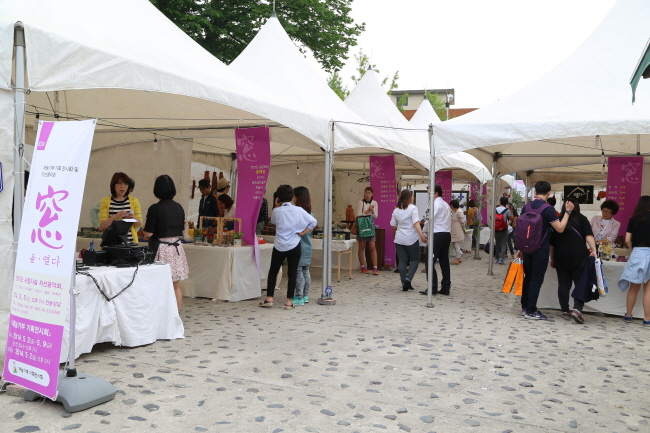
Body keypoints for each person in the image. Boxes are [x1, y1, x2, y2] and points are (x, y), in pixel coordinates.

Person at [515, 181, 574, 320]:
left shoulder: (526, 206)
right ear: (549, 193)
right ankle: (531, 310)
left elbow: (522, 229)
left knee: (528, 277)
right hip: (540, 248)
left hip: (527, 247)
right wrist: (568, 212)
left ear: (535, 192)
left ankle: (525, 307)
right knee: (536, 279)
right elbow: (560, 228)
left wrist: (520, 248)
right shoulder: (548, 209)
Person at [260, 185, 317, 310]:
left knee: (273, 271)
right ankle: (289, 302)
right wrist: (302, 232)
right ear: (292, 197)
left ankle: (269, 298)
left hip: (280, 245)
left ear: (278, 197)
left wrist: (276, 206)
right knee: (292, 273)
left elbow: (273, 222)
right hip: (294, 244)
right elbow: (313, 222)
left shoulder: (276, 211)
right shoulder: (299, 210)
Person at [142, 175, 189, 311]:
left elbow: (148, 233)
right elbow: (181, 230)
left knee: (158, 284)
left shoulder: (155, 208)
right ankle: (176, 314)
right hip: (176, 248)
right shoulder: (179, 207)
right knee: (175, 286)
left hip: (161, 249)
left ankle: (160, 314)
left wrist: (141, 230)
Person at [549, 198, 597, 324]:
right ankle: (577, 309)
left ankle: (565, 310)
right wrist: (594, 251)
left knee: (563, 285)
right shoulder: (582, 219)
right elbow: (589, 236)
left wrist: (552, 258)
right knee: (580, 283)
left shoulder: (558, 220)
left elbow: (552, 243)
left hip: (560, 256)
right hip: (579, 256)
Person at [618, 196, 650, 326]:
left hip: (637, 253)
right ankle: (647, 318)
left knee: (633, 287)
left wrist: (632, 250)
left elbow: (627, 240)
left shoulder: (633, 219)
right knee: (648, 289)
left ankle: (628, 315)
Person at [419, 184, 452, 296]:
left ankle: (432, 287)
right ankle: (446, 287)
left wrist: (424, 232)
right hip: (446, 234)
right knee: (444, 261)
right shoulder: (446, 204)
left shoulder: (435, 204)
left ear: (436, 193)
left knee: (429, 261)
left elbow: (429, 219)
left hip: (436, 235)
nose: (429, 195)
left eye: (429, 193)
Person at [391, 189, 427, 291]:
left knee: (402, 261)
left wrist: (401, 226)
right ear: (409, 197)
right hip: (411, 238)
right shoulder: (413, 208)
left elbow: (393, 224)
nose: (413, 198)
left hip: (399, 238)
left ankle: (404, 283)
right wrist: (421, 235)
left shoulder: (396, 210)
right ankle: (408, 279)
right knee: (415, 259)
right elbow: (416, 223)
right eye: (412, 196)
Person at [99, 172, 142, 244]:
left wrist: (133, 218)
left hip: (130, 242)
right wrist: (115, 216)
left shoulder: (134, 201)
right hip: (112, 243)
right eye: (119, 183)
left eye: (126, 184)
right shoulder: (105, 201)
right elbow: (103, 224)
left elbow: (139, 224)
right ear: (113, 185)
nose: (123, 187)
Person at [293, 186, 314, 306]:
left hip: (298, 246)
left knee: (298, 271)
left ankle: (299, 296)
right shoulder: (311, 214)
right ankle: (305, 295)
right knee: (306, 270)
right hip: (307, 246)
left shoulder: (298, 214)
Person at [356, 187, 379, 275]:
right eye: (366, 193)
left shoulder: (375, 203)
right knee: (361, 247)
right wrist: (367, 211)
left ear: (372, 194)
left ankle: (375, 267)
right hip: (362, 226)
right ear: (364, 194)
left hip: (370, 226)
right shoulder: (361, 202)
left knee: (372, 247)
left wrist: (372, 211)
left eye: (369, 193)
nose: (367, 195)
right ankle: (362, 266)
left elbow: (376, 216)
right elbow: (358, 215)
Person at [494, 196, 512, 265]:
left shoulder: (495, 209)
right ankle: (501, 258)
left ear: (500, 202)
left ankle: (497, 257)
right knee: (503, 244)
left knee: (497, 243)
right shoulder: (507, 210)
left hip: (496, 228)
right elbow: (511, 219)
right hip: (504, 228)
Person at [450, 199, 466, 265]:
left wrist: (463, 228)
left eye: (451, 205)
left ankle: (457, 259)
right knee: (455, 245)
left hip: (457, 230)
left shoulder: (459, 212)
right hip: (454, 230)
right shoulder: (454, 211)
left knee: (456, 245)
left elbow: (462, 222)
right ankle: (458, 258)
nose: (451, 207)